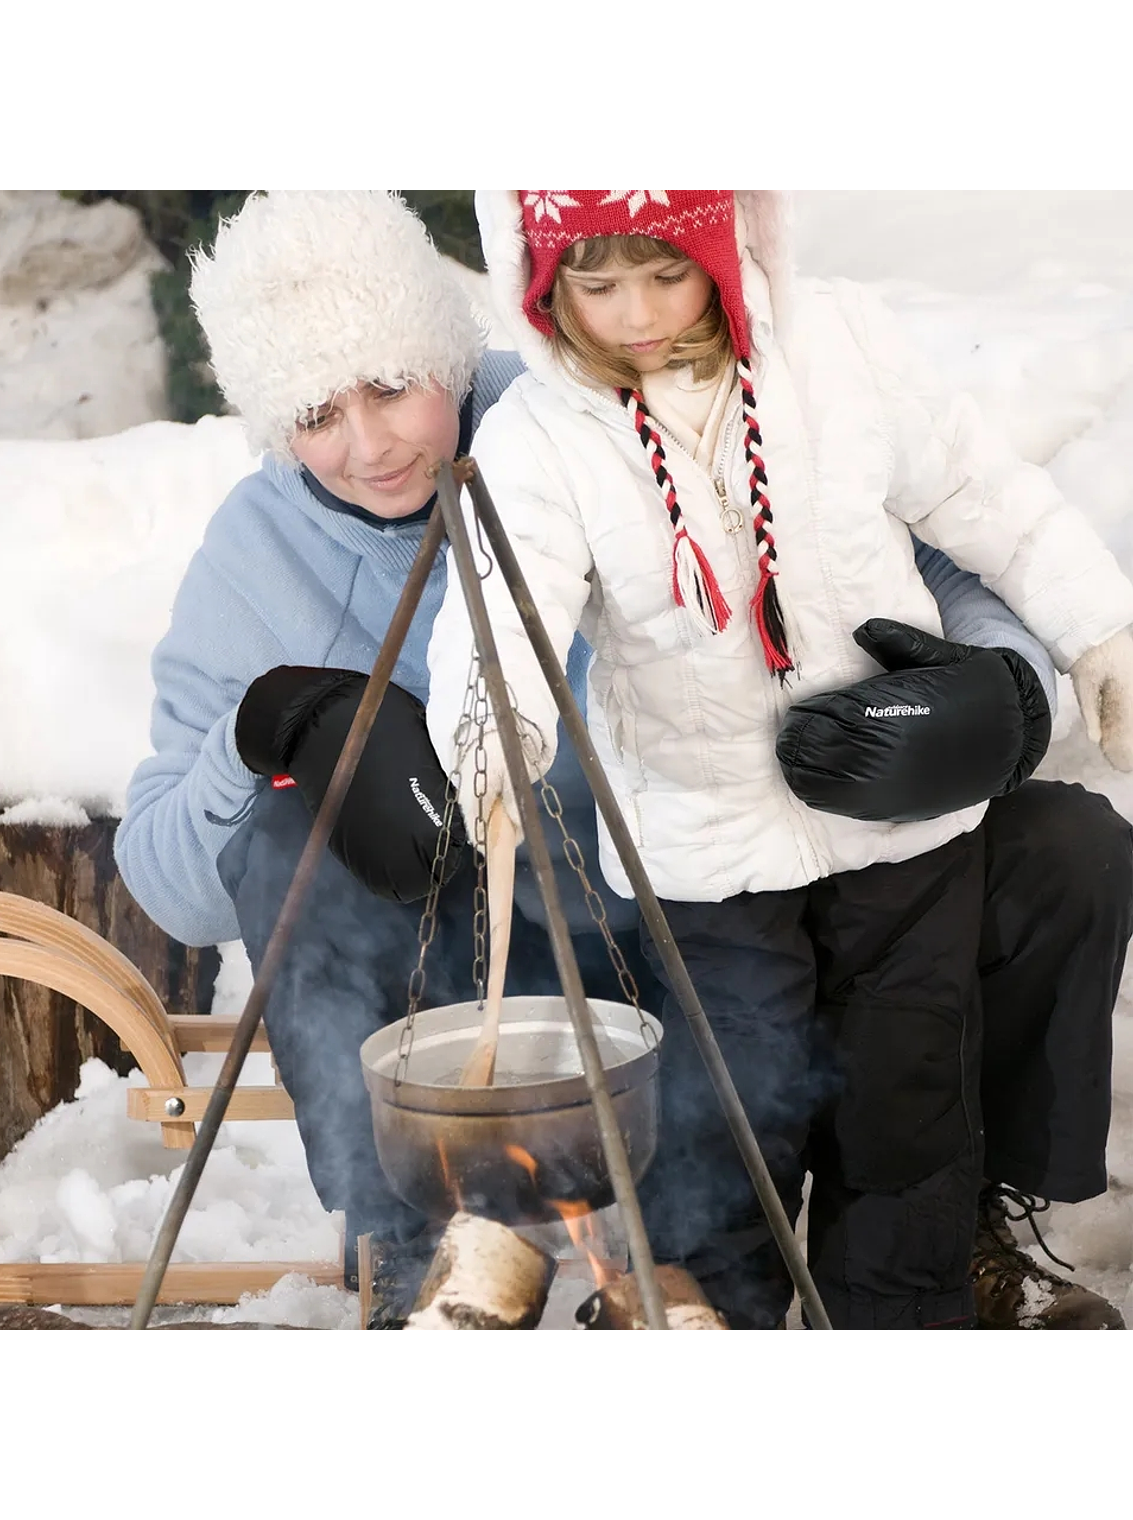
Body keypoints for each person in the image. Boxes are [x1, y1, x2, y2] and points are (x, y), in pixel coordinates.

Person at [116, 189, 1128, 1329]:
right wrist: (264, 730)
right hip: (519, 982)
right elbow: (171, 882)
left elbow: (921, 545)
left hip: (745, 875)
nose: (368, 443)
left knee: (1064, 847)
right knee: (287, 837)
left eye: (392, 386)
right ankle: (430, 1258)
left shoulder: (585, 399)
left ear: (449, 347)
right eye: (312, 412)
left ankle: (958, 1225)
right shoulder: (265, 553)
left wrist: (1001, 696)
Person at [423, 188, 1133, 1329]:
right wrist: (491, 730)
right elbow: (501, 608)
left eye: (666, 274)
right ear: (544, 279)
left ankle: (899, 1308)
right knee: (737, 1117)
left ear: (721, 240)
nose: (636, 315)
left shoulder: (837, 347)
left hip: (902, 816)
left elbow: (978, 490)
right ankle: (725, 1310)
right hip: (704, 852)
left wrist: (1100, 625)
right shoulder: (543, 434)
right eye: (595, 288)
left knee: (907, 1104)